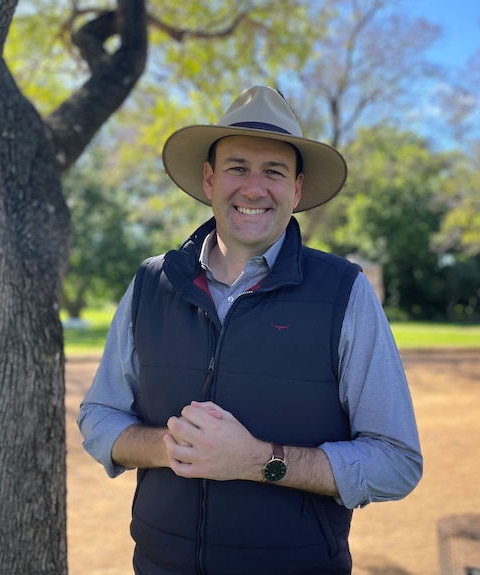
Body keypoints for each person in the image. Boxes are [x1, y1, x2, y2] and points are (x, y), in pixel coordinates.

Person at [78, 85, 422, 575]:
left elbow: (396, 463)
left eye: (274, 172)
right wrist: (171, 447)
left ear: (297, 190)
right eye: (237, 167)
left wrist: (259, 461)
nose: (254, 188)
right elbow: (99, 417)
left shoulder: (345, 291)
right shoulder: (150, 284)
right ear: (209, 179)